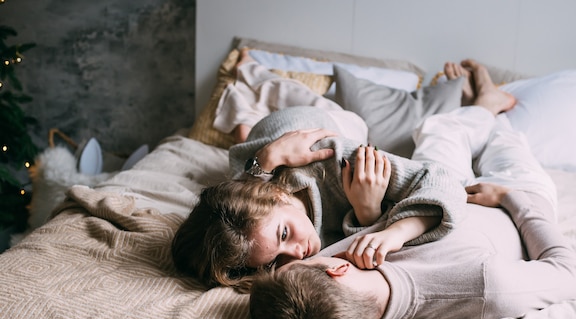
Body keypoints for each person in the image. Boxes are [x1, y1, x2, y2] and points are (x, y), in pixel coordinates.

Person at [247, 60, 576, 319]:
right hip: (514, 199)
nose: (297, 257)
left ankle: (481, 104)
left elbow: (250, 225)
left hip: (447, 188)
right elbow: (570, 273)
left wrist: (262, 165)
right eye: (292, 266)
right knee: (503, 141)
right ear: (336, 271)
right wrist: (508, 198)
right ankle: (492, 108)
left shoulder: (347, 279)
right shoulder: (489, 286)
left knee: (438, 129)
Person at [172, 66, 474, 288]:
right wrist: (367, 214)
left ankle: (484, 103)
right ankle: (248, 131)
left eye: (285, 235)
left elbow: (442, 180)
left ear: (278, 195)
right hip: (262, 147)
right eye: (273, 259)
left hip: (318, 124)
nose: (297, 253)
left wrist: (393, 234)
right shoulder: (259, 235)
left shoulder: (336, 156)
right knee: (238, 187)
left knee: (358, 124)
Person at [213, 47, 368, 143]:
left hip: (340, 145)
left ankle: (248, 126)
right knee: (294, 97)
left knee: (294, 106)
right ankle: (248, 70)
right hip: (348, 128)